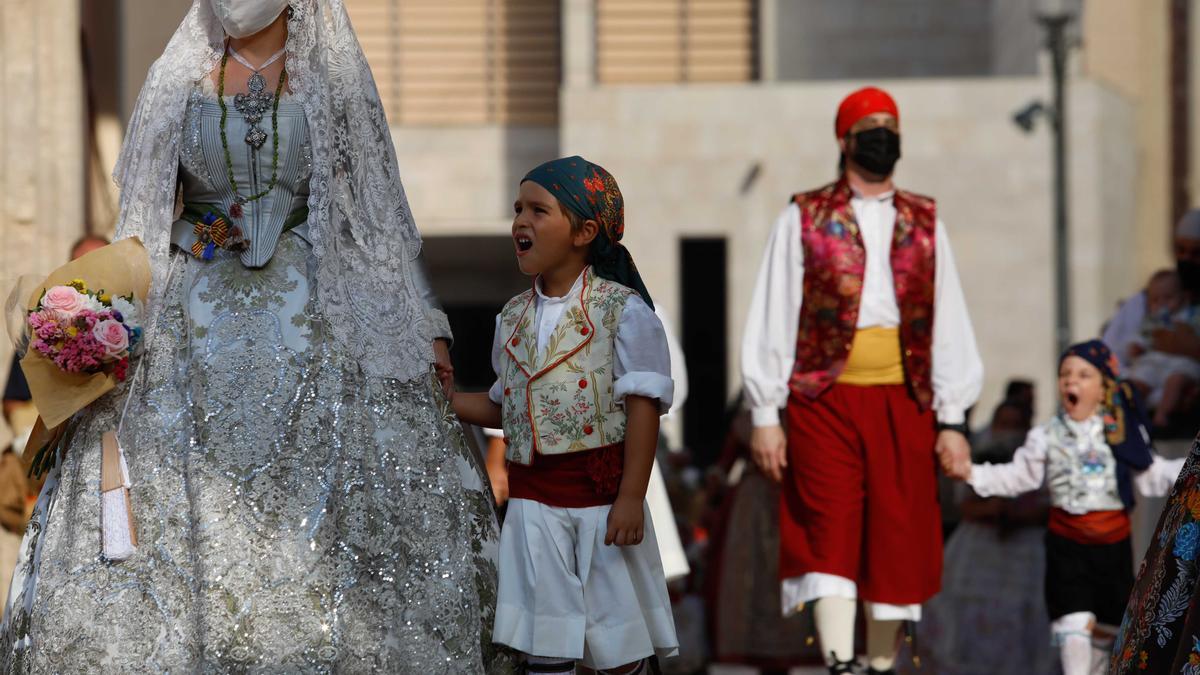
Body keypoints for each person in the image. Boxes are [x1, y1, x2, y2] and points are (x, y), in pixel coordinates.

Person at [0, 2, 504, 671]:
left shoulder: (333, 74)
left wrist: (426, 327)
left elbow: (379, 216)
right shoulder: (179, 75)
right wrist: (102, 322)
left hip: (316, 306)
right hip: (191, 314)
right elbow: (141, 219)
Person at [741, 86, 983, 674]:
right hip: (822, 399)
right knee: (827, 527)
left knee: (898, 531)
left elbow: (948, 322)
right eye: (870, 125)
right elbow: (774, 313)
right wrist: (766, 415)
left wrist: (952, 421)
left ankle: (878, 666)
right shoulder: (804, 215)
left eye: (890, 125)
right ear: (844, 139)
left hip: (906, 400)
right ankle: (839, 662)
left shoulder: (927, 222)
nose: (883, 135)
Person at [454, 156, 679, 674]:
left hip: (600, 504)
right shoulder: (510, 316)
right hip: (533, 505)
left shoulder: (624, 311)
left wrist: (630, 497)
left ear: (585, 231)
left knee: (614, 640)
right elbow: (501, 409)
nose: (520, 222)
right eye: (517, 209)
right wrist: (446, 397)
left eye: (538, 209)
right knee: (545, 641)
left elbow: (645, 410)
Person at [961, 340, 1183, 675]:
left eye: (1083, 374)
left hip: (1112, 548)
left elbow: (1149, 476)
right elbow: (1020, 477)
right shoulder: (1045, 435)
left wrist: (1189, 466)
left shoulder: (1122, 432)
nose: (1071, 381)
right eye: (1065, 374)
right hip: (1067, 548)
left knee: (1107, 636)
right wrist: (971, 472)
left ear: (1104, 384)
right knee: (1072, 634)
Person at [914, 399, 1055, 674]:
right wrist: (993, 510)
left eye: (1017, 425)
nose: (1010, 432)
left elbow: (1050, 506)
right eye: (1005, 424)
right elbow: (964, 503)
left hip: (1026, 550)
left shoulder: (1044, 460)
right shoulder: (978, 454)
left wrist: (1017, 516)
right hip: (977, 549)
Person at [1104, 210, 1200, 372]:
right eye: (1181, 250)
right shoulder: (1144, 301)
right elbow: (1112, 353)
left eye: (1196, 253)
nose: (1187, 259)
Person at [1123, 269, 1200, 429]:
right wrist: (1136, 347)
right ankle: (1131, 417)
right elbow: (1141, 337)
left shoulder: (1191, 315)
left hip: (1181, 363)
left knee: (1176, 381)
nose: (1161, 304)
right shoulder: (1150, 320)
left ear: (1183, 297)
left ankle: (1162, 417)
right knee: (1137, 382)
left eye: (1168, 298)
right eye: (1155, 300)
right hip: (1155, 362)